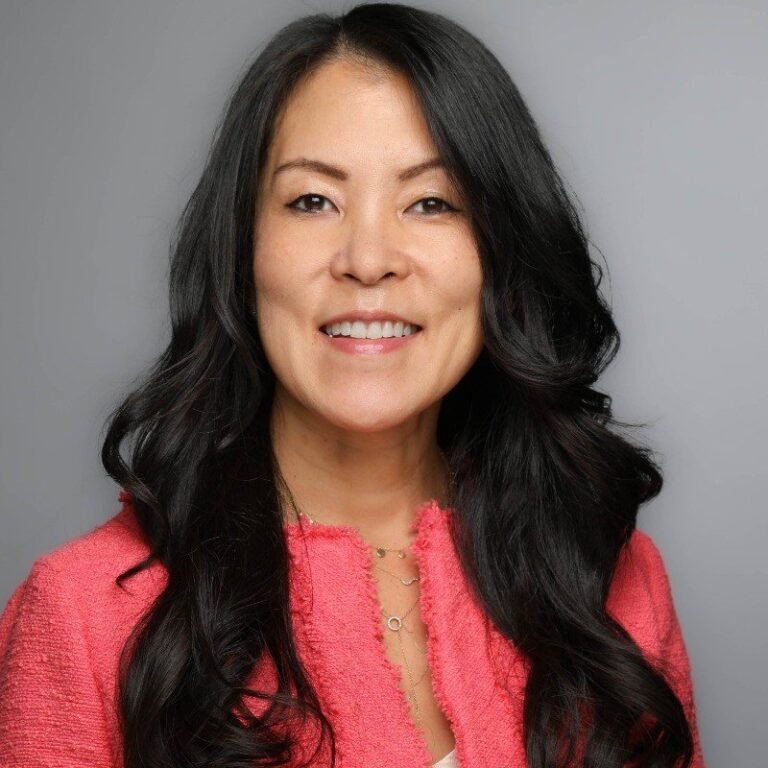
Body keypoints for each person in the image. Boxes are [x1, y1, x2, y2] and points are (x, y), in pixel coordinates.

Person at [0, 3, 706, 767]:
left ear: (502, 256)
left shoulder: (606, 578)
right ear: (242, 252)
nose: (368, 259)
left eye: (431, 202)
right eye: (313, 201)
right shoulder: (84, 613)